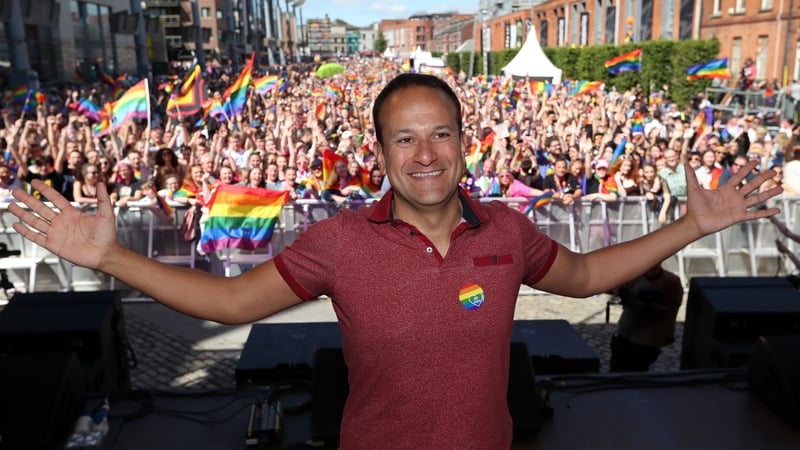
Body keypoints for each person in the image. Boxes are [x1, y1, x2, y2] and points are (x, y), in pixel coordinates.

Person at [8, 73, 782, 449]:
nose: (425, 153)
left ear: (463, 142)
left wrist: (687, 227)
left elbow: (581, 276)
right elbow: (232, 304)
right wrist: (112, 255)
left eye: (441, 133)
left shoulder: (505, 231)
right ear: (378, 151)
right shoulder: (340, 240)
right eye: (404, 137)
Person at [608, 263, 684, 372]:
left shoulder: (671, 281)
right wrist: (622, 292)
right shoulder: (633, 275)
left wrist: (648, 306)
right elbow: (615, 288)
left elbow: (671, 307)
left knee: (637, 373)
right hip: (625, 333)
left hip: (648, 340)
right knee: (616, 370)